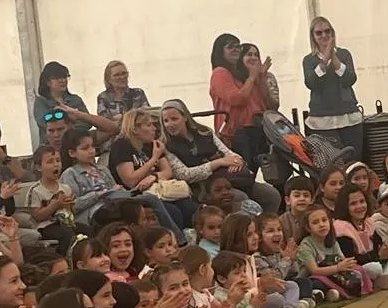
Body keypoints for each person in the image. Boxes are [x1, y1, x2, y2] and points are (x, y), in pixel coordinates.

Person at [159, 99, 279, 214]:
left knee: (271, 195)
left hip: (228, 178)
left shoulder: (205, 133)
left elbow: (230, 154)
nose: (170, 124)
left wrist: (236, 162)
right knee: (241, 199)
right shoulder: (166, 146)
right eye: (166, 121)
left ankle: (265, 227)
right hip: (203, 187)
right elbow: (184, 174)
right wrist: (218, 163)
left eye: (174, 119)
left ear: (185, 117)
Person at [108, 110, 198, 240]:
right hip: (135, 194)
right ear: (135, 129)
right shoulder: (121, 146)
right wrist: (153, 158)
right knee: (173, 212)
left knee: (190, 207)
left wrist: (154, 176)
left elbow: (168, 171)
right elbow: (130, 180)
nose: (154, 128)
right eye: (149, 125)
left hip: (159, 189)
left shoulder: (151, 144)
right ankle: (178, 243)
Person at [208, 33, 275, 172]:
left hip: (256, 129)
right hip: (238, 133)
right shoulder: (220, 73)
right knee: (244, 173)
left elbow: (268, 105)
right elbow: (236, 99)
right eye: (230, 47)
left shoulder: (240, 76)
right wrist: (252, 77)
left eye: (238, 46)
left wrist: (259, 76)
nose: (236, 49)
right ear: (220, 51)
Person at [302, 16, 365, 154]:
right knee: (331, 163)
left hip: (349, 118)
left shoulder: (344, 54)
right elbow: (311, 83)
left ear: (333, 33)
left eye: (327, 31)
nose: (324, 35)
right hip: (322, 121)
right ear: (313, 37)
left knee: (353, 159)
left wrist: (334, 58)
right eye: (319, 33)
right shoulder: (309, 60)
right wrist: (324, 59)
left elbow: (350, 79)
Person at [32, 62, 115, 144]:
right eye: (57, 78)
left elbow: (88, 123)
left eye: (65, 77)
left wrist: (69, 127)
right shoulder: (41, 101)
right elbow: (45, 123)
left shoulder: (76, 99)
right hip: (51, 146)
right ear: (47, 82)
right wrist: (71, 121)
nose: (63, 80)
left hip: (77, 142)